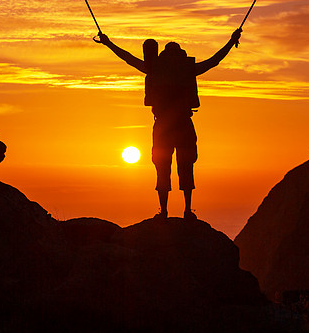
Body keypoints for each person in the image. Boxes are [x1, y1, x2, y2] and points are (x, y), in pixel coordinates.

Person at [96, 28, 242, 220]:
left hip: (163, 126)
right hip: (184, 125)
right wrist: (231, 42)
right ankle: (187, 210)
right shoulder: (188, 68)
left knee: (163, 167)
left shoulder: (155, 68)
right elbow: (215, 60)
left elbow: (128, 58)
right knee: (186, 167)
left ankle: (164, 211)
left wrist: (108, 43)